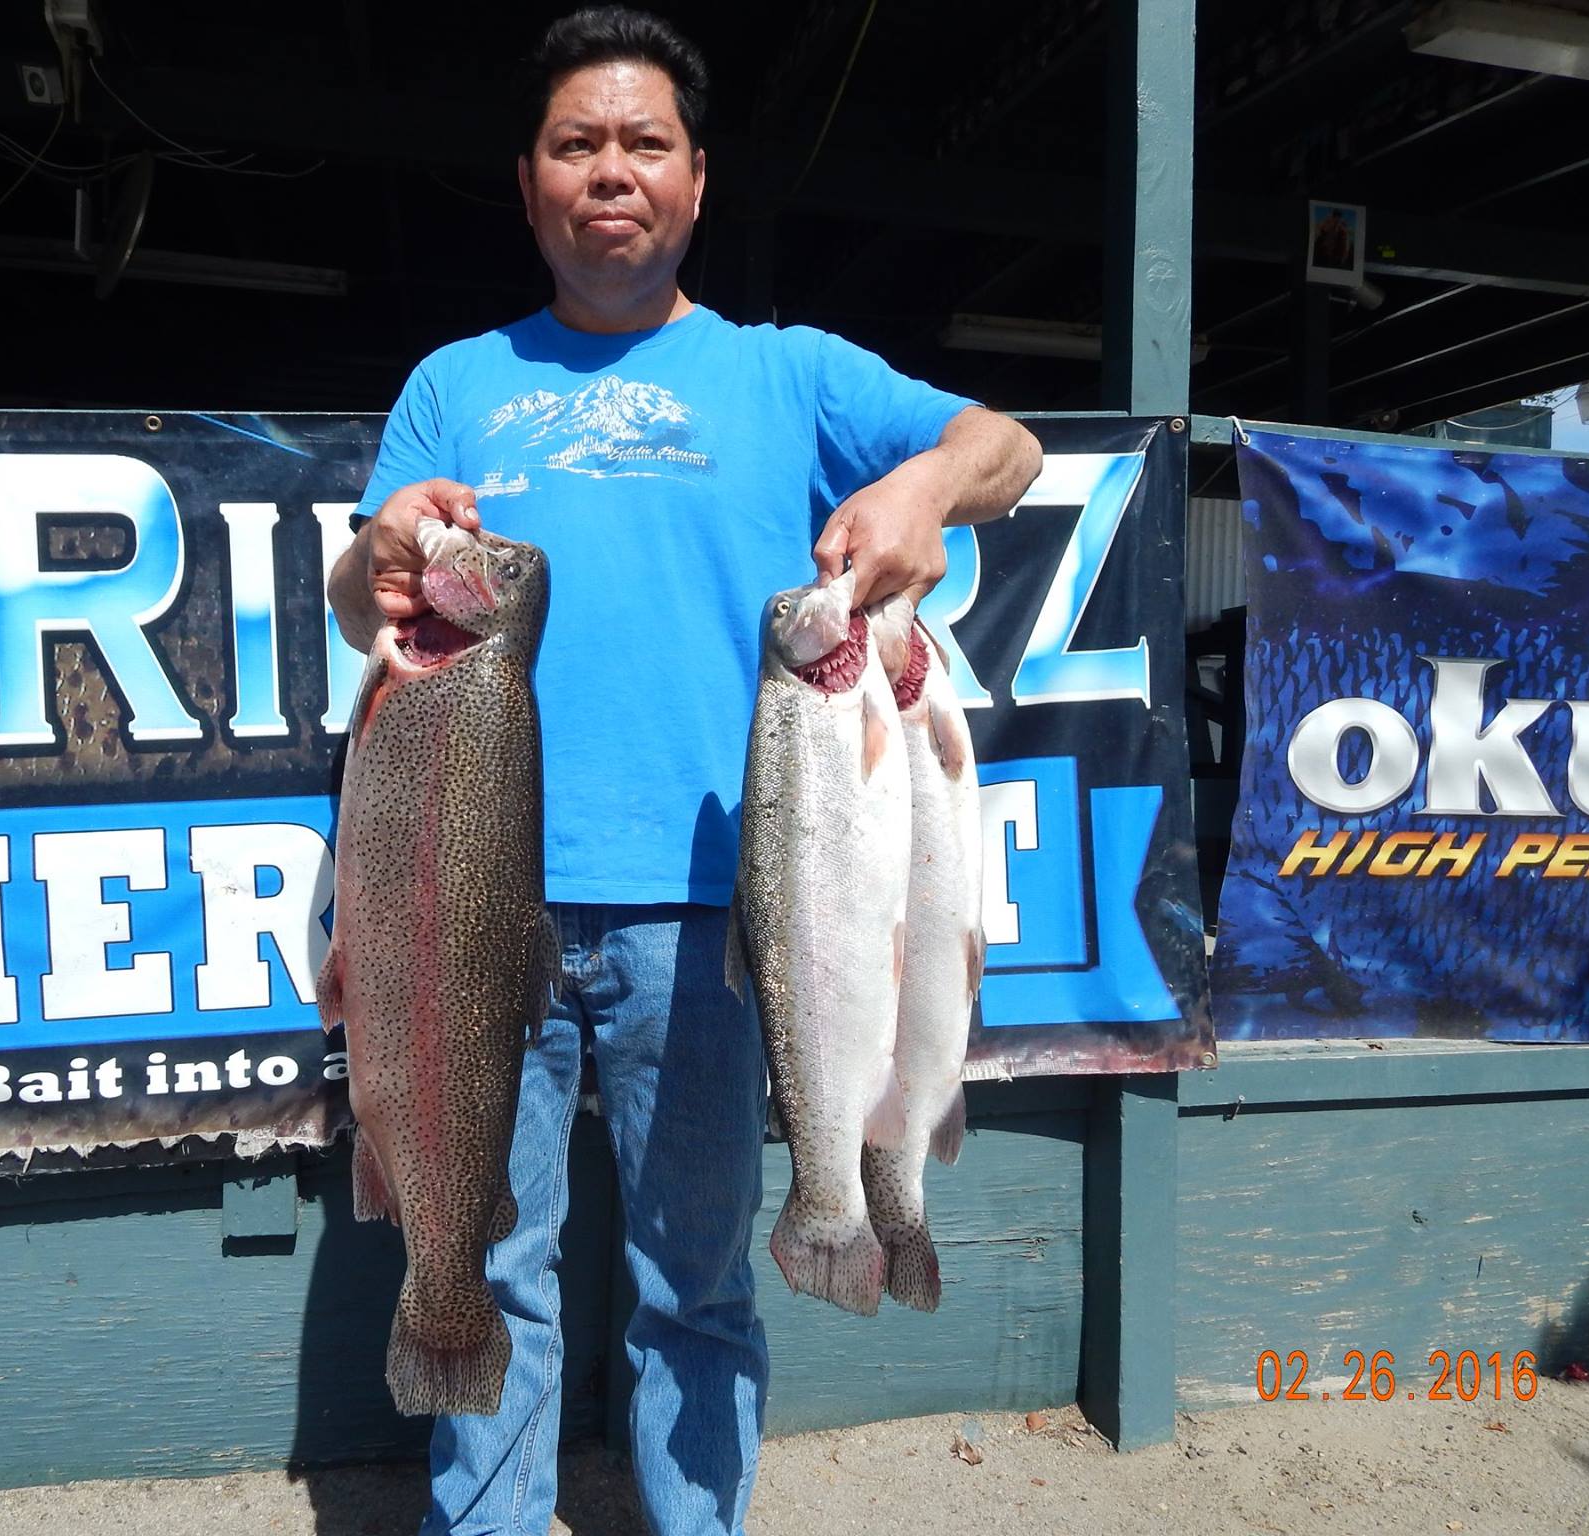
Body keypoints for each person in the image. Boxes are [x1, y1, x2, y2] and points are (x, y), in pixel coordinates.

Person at [326, 10, 1041, 1534]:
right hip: (470, 911)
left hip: (722, 926)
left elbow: (1011, 447)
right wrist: (377, 554)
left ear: (697, 182)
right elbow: (361, 603)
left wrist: (921, 483)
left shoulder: (789, 375)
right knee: (482, 1263)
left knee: (696, 1285)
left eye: (644, 143)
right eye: (576, 144)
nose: (611, 172)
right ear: (528, 185)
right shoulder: (455, 384)